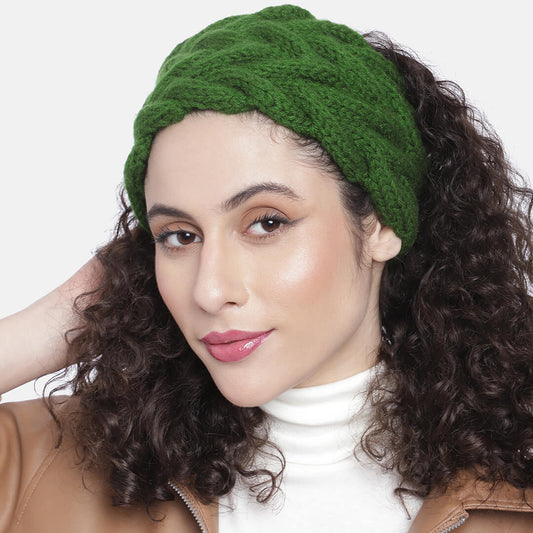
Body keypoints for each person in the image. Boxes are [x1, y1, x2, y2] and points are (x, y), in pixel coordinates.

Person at [1, 4, 532, 532]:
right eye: (180, 236)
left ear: (381, 222)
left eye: (267, 223)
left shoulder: (516, 494)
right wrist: (59, 320)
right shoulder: (44, 462)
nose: (210, 290)